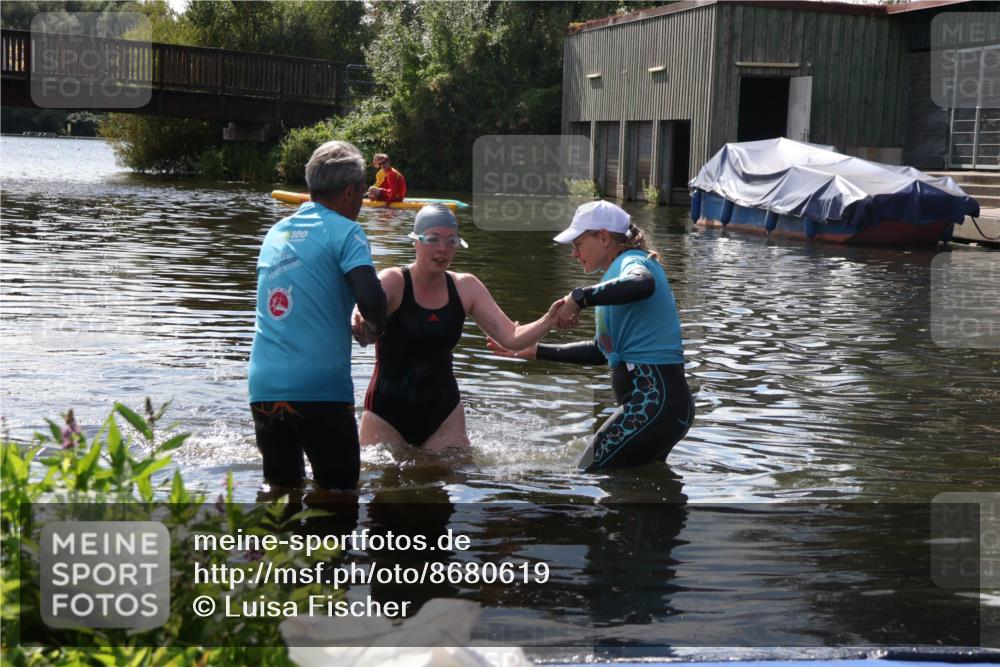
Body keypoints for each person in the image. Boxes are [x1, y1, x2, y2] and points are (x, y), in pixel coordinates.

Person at [487, 200, 694, 471]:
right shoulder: (614, 278)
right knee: (638, 491)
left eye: (578, 243)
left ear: (604, 237)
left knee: (585, 471)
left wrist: (581, 298)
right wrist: (537, 350)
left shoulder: (632, 261)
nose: (574, 253)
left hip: (654, 402)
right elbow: (601, 351)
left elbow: (643, 283)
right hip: (663, 407)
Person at [352, 203, 562, 449]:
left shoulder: (466, 288)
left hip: (444, 415)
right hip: (386, 414)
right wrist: (362, 323)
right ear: (415, 242)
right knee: (385, 483)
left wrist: (550, 319)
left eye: (451, 241)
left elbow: (511, 338)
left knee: (451, 479)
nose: (442, 249)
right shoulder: (394, 281)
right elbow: (365, 309)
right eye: (433, 239)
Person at [248, 140, 388, 492]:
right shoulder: (346, 231)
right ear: (351, 190)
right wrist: (373, 328)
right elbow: (371, 298)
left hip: (263, 386)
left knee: (280, 494)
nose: (361, 204)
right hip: (319, 389)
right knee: (339, 495)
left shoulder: (275, 233)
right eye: (361, 196)